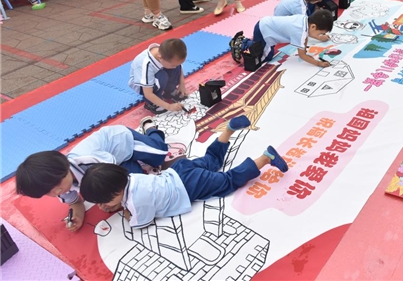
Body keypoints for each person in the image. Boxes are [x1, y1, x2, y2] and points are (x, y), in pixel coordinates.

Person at [79, 116, 289, 228]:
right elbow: (122, 192)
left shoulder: (136, 202)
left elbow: (139, 222)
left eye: (104, 202)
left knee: (228, 181)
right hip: (179, 169)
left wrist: (122, 210)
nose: (103, 206)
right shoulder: (131, 177)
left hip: (189, 185)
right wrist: (114, 201)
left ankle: (265, 158)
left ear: (115, 194)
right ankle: (228, 130)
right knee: (211, 160)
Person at [15, 119, 169, 232]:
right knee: (136, 185)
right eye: (48, 192)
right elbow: (75, 203)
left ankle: (150, 128)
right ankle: (133, 162)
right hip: (115, 162)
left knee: (160, 155)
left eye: (56, 186)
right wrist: (78, 217)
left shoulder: (88, 162)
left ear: (64, 167)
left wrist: (117, 202)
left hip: (122, 141)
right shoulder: (59, 187)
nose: (56, 192)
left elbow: (117, 178)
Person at [230, 10, 334, 66]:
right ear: (313, 26)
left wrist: (320, 38)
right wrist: (318, 63)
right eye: (320, 33)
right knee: (263, 58)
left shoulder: (305, 20)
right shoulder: (300, 32)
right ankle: (241, 44)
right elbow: (302, 55)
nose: (320, 35)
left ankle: (249, 42)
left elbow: (306, 36)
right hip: (264, 31)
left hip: (265, 24)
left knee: (270, 53)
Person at [129, 38, 188, 114]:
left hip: (158, 73)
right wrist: (169, 106)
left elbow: (178, 66)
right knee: (162, 76)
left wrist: (182, 84)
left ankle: (170, 91)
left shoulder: (166, 52)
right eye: (173, 65)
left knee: (175, 68)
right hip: (143, 86)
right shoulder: (147, 65)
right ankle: (151, 103)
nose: (175, 67)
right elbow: (148, 93)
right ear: (160, 58)